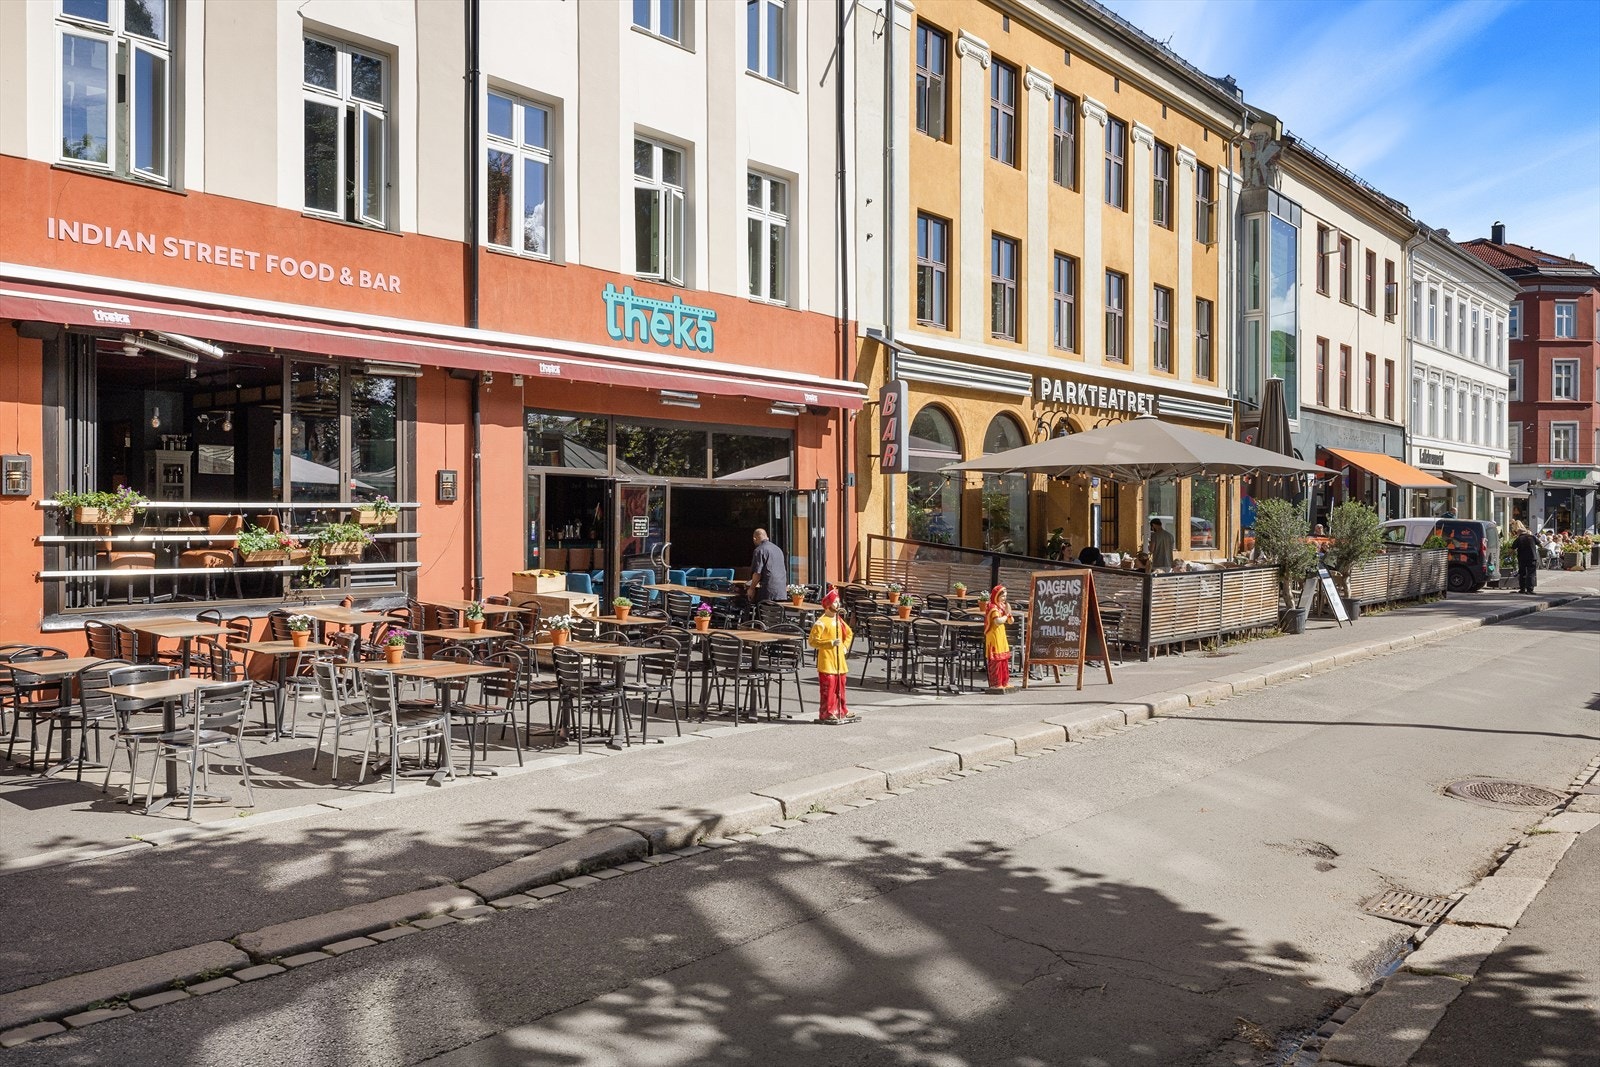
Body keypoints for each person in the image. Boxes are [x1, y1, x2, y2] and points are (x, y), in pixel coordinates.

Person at [807, 588, 856, 723]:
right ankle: (827, 712)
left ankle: (841, 710)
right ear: (828, 604)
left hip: (839, 660)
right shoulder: (821, 623)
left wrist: (845, 646)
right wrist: (829, 643)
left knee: (840, 687)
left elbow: (849, 633)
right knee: (828, 689)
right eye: (835, 602)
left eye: (838, 602)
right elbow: (812, 641)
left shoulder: (839, 620)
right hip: (827, 661)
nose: (838, 605)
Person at [983, 584, 1014, 691]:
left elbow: (1010, 621)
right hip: (994, 636)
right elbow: (997, 621)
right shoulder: (993, 607)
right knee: (996, 660)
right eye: (1002, 596)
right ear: (996, 596)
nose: (1004, 598)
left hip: (1001, 636)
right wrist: (1006, 615)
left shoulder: (1002, 606)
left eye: (1005, 596)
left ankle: (1004, 682)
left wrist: (1008, 614)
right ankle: (996, 683)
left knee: (1003, 660)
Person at [746, 528, 787, 604]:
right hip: (781, 591)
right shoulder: (778, 549)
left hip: (768, 591)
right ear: (767, 537)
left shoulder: (759, 550)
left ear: (754, 539)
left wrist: (751, 589)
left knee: (761, 613)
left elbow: (757, 573)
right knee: (777, 615)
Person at [1513, 522, 1539, 594]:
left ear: (1519, 533)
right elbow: (1540, 545)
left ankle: (1522, 589)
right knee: (1531, 573)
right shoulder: (1532, 537)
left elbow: (1512, 549)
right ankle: (1530, 590)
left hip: (1522, 558)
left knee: (1522, 573)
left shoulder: (1519, 539)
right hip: (1532, 557)